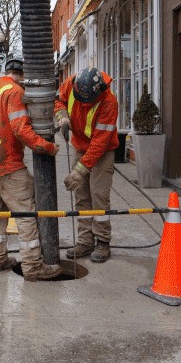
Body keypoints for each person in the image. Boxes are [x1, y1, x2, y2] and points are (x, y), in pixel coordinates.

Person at [0, 57, 63, 281]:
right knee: (26, 215)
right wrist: (47, 147)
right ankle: (33, 266)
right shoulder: (14, 92)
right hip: (8, 164)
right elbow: (21, 130)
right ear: (22, 75)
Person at [54, 66, 119, 263]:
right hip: (80, 146)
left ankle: (102, 241)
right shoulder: (72, 83)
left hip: (103, 151)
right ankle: (85, 240)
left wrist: (79, 171)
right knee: (81, 195)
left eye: (87, 101)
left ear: (97, 92)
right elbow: (58, 101)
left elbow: (100, 143)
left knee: (98, 194)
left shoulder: (108, 102)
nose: (82, 104)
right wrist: (62, 118)